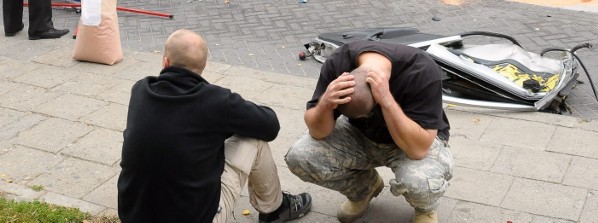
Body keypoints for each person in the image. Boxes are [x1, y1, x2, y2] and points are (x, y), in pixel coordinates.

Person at [117, 28, 312, 223]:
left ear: (165, 62)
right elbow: (270, 125)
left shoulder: (140, 90)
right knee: (254, 139)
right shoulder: (216, 101)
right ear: (203, 66)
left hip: (134, 216)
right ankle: (275, 209)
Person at [285, 40, 454, 223]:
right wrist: (325, 103)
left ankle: (425, 209)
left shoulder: (421, 71)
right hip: (361, 136)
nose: (368, 117)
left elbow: (418, 150)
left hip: (411, 139)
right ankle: (364, 189)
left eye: (366, 114)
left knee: (420, 181)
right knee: (300, 157)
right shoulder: (338, 62)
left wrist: (387, 101)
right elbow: (318, 132)